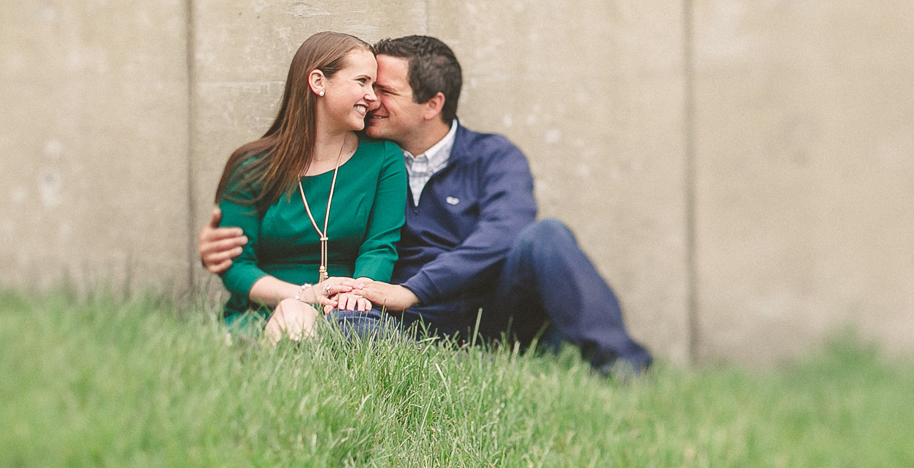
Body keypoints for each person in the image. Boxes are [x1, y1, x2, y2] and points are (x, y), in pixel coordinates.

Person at [200, 35, 653, 373]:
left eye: (385, 91)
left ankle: (624, 369)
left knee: (546, 236)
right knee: (347, 327)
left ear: (432, 104)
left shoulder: (492, 157)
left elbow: (504, 233)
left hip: (483, 305)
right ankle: (432, 365)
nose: (373, 99)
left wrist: (412, 289)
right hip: (406, 321)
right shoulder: (377, 159)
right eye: (366, 85)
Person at [211, 30, 408, 342]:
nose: (373, 97)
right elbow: (236, 265)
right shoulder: (251, 165)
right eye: (362, 82)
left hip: (348, 311)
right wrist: (303, 295)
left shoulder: (384, 158)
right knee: (293, 316)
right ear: (318, 82)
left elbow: (380, 246)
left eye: (375, 85)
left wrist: (357, 293)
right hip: (263, 308)